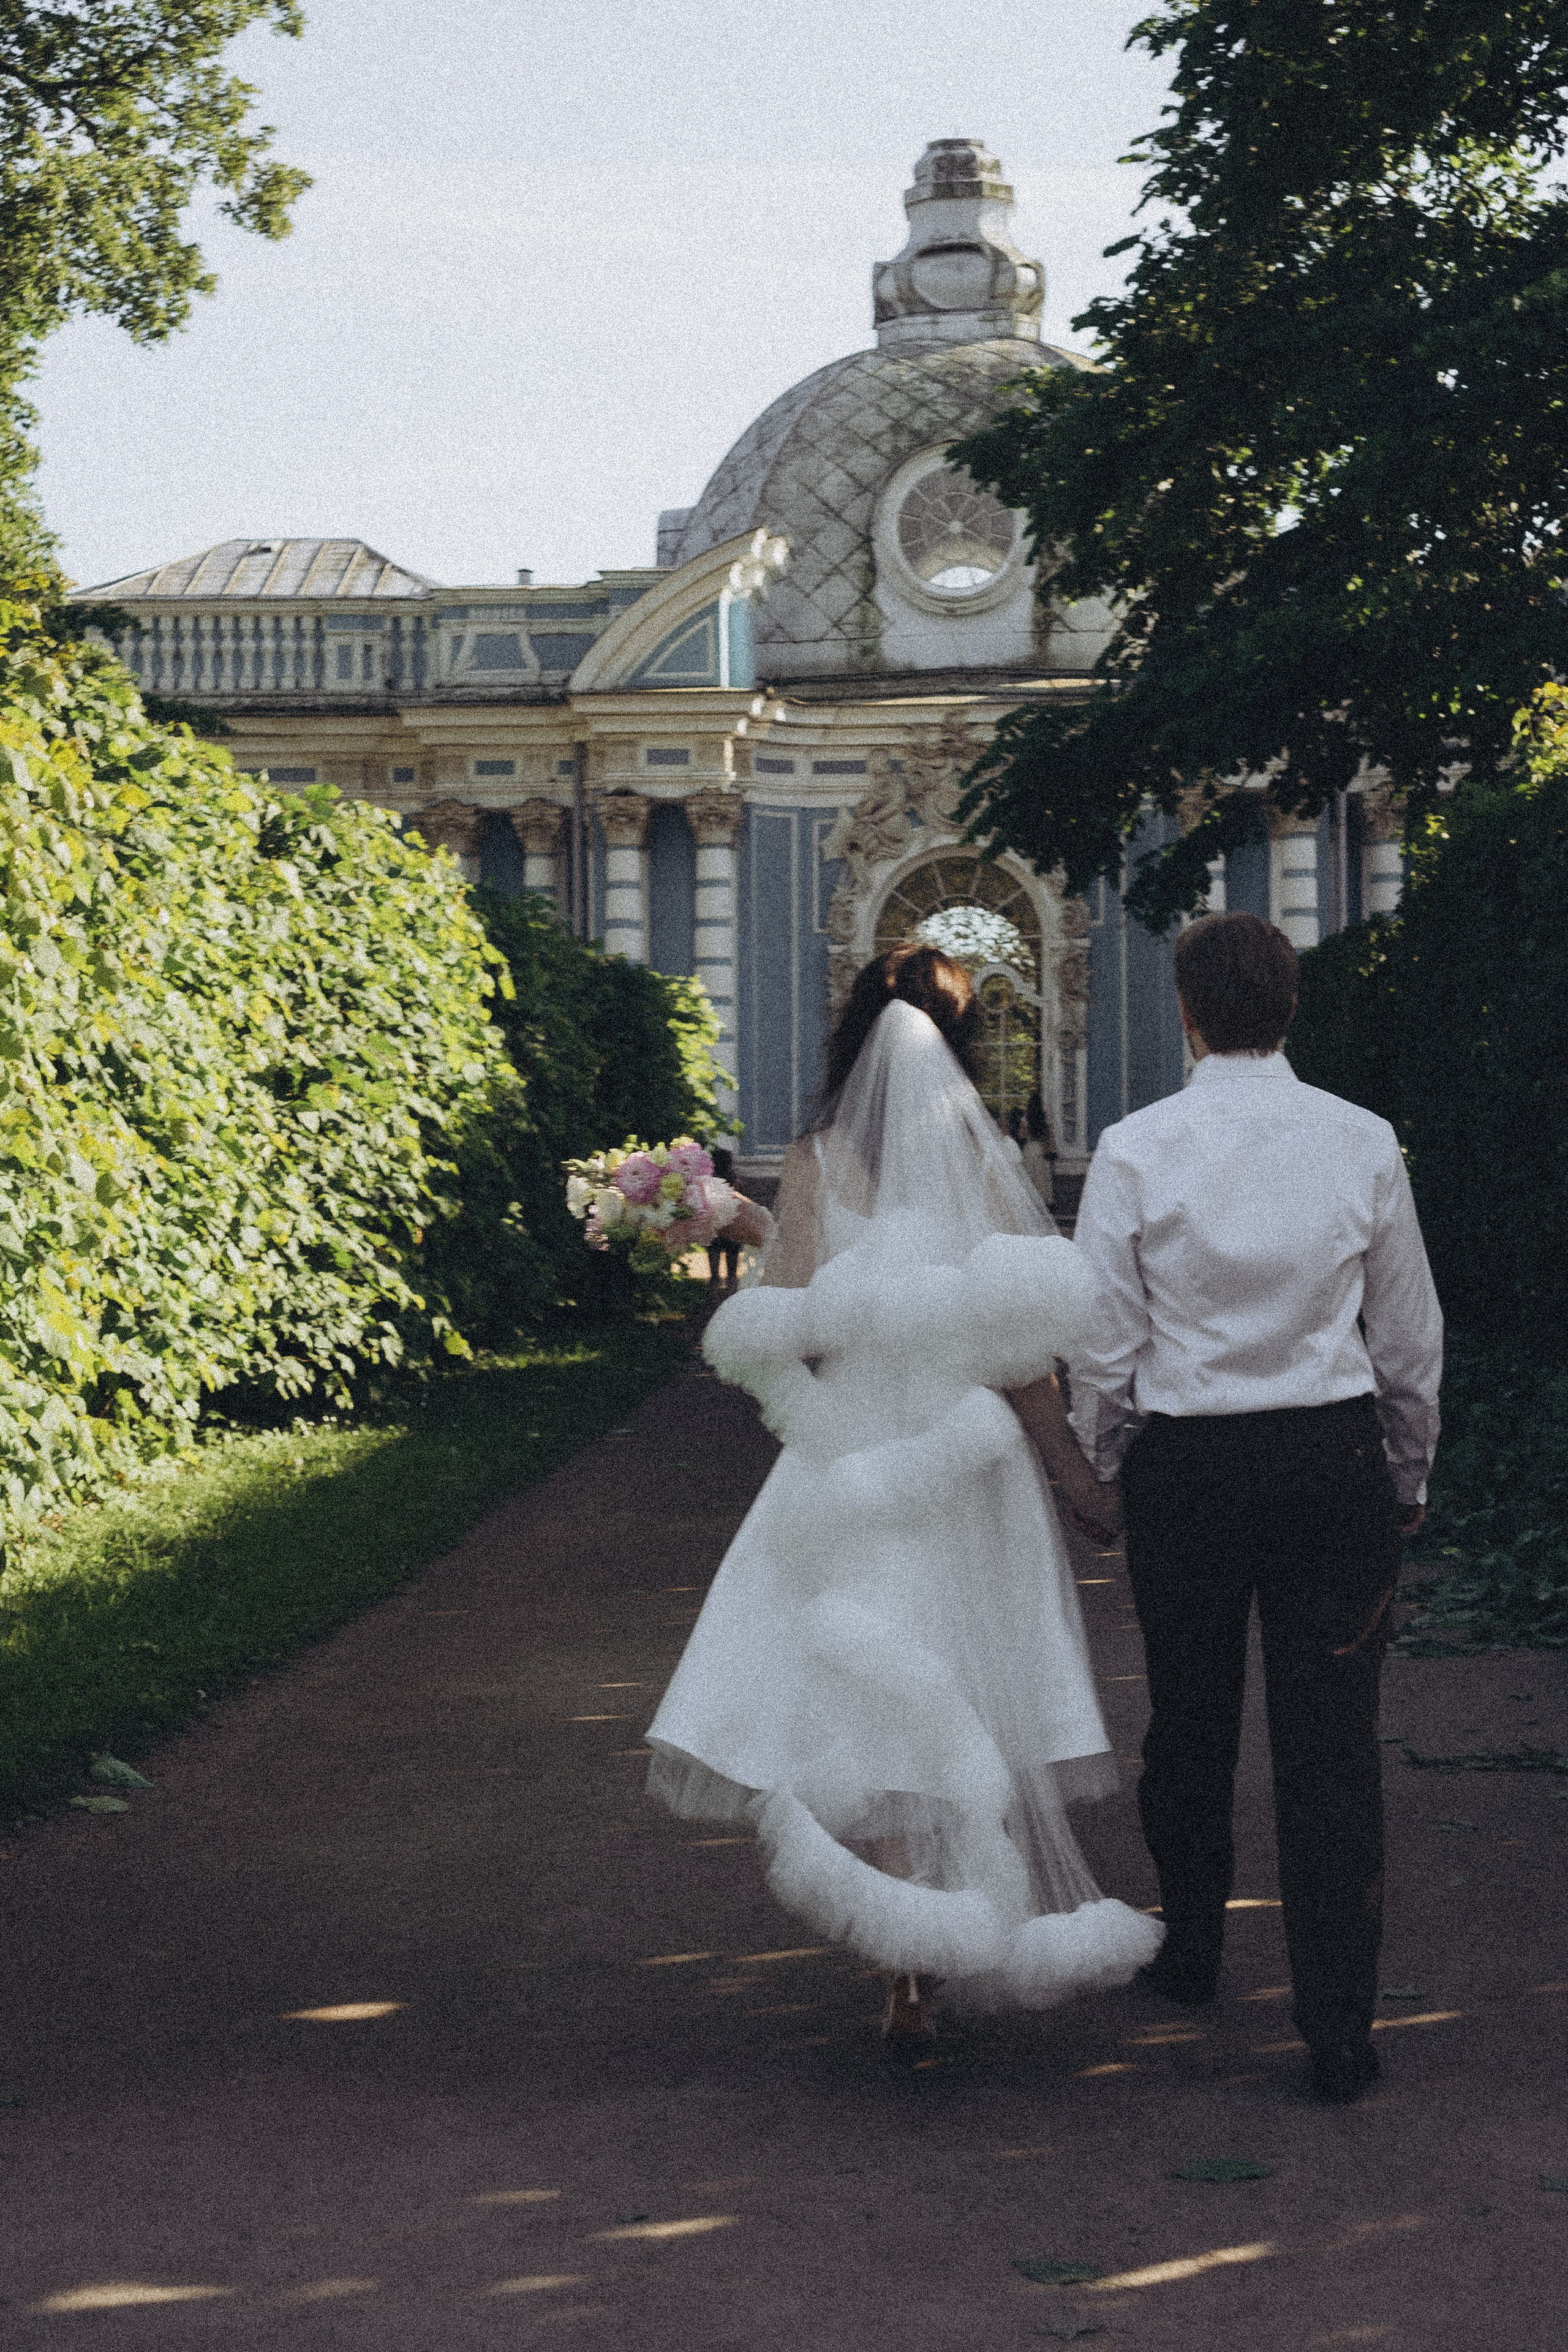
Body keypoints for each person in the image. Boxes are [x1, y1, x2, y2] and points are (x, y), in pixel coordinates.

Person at [645, 943, 1159, 2047]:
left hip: (851, 1462)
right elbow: (1022, 1351)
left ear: (852, 1033)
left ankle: (901, 1964)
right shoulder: (982, 1159)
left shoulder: (821, 1156)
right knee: (966, 1685)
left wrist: (745, 1230)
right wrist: (1072, 1470)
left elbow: (795, 1316)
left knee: (871, 1694)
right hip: (966, 1468)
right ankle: (948, 1923)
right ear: (958, 1041)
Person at [1066, 911, 1442, 2105]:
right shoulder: (1362, 1140)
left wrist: (1104, 1462)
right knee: (1329, 1748)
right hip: (1330, 1462)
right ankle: (1337, 2030)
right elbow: (1407, 1335)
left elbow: (1104, 1345)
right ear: (1288, 1008)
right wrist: (1407, 1472)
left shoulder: (1133, 1149)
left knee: (1186, 1719)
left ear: (1185, 1010)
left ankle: (1189, 1951)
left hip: (1188, 1467)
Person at [1020, 1092, 1058, 1215]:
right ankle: (1043, 1208)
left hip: (1029, 1149)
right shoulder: (1044, 1120)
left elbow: (1022, 1136)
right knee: (1042, 1179)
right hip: (1040, 1151)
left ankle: (1030, 1208)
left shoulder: (1025, 1120)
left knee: (1030, 1179)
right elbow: (1049, 1139)